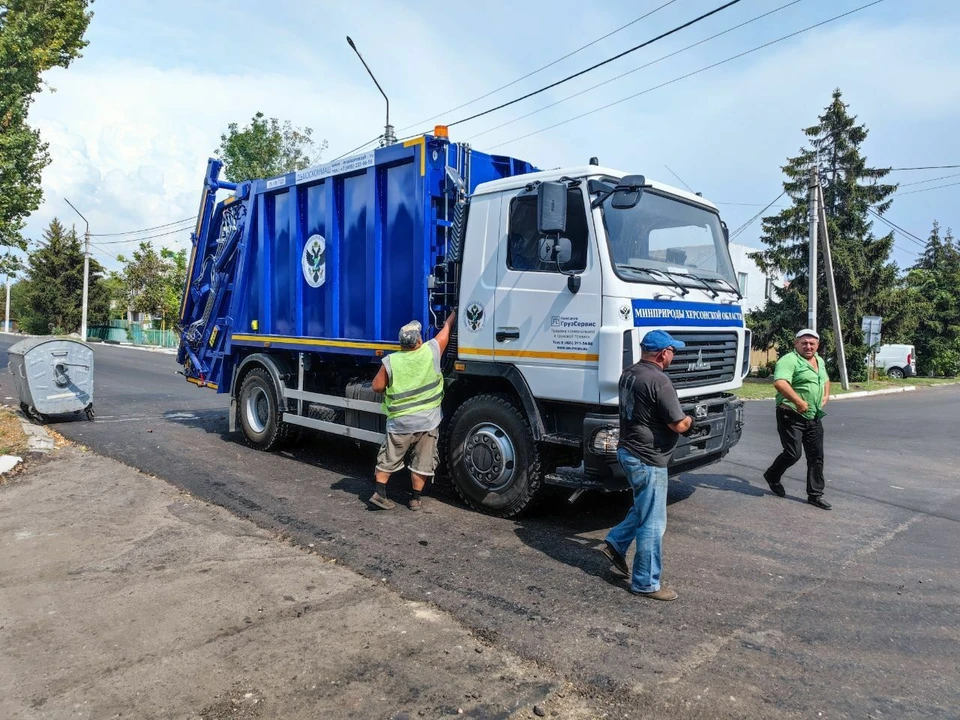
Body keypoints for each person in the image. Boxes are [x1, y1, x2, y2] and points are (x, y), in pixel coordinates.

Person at [600, 329, 694, 601]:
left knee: (645, 505)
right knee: (653, 522)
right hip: (648, 458)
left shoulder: (629, 373)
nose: (673, 355)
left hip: (627, 451)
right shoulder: (660, 381)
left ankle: (616, 542)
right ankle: (645, 583)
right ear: (663, 353)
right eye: (673, 351)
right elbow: (677, 423)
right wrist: (692, 421)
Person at [368, 311, 456, 511]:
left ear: (401, 343)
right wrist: (453, 314)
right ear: (419, 340)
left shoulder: (392, 361)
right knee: (423, 460)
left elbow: (376, 386)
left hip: (400, 422)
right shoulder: (430, 351)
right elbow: (446, 332)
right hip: (427, 422)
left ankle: (380, 494)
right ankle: (415, 499)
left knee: (390, 456)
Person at [763, 328, 832, 510]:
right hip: (791, 415)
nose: (808, 346)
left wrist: (825, 396)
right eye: (804, 343)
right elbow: (780, 382)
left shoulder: (819, 360)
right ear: (796, 344)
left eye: (812, 344)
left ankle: (815, 495)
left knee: (816, 457)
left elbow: (825, 379)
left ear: (817, 345)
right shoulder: (789, 360)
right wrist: (799, 401)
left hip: (813, 416)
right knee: (793, 453)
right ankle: (772, 475)